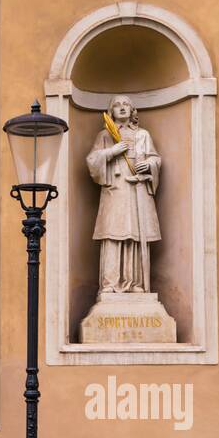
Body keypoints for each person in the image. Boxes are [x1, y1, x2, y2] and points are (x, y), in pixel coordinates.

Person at [86, 94, 162, 293]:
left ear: (132, 110)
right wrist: (112, 151)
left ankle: (135, 283)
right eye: (117, 105)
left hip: (137, 190)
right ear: (111, 112)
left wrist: (150, 164)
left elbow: (155, 158)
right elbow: (92, 160)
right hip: (115, 191)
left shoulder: (143, 135)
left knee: (134, 236)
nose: (122, 108)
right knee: (113, 234)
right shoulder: (104, 136)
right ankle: (111, 284)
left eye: (126, 104)